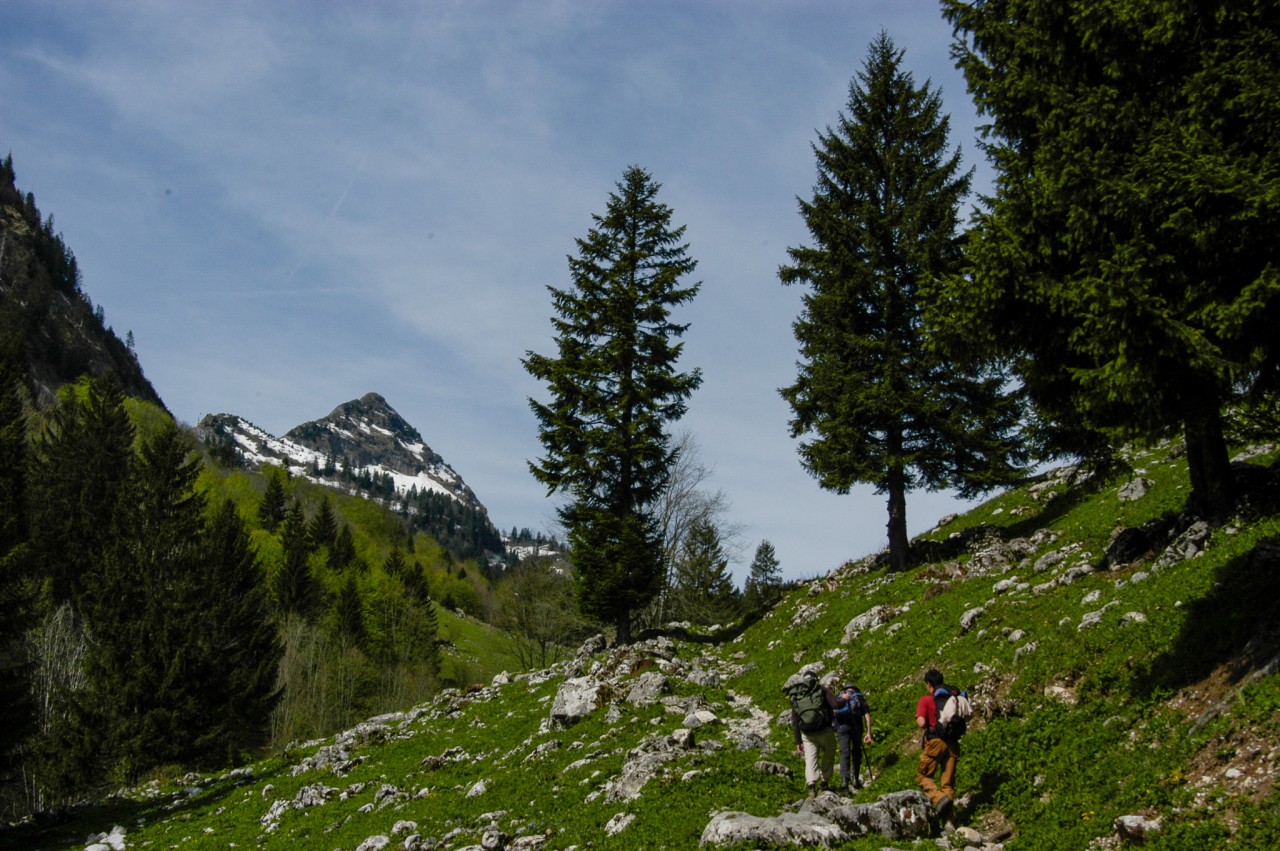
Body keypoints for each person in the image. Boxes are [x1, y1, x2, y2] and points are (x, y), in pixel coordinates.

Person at [785, 668, 840, 797]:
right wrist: (845, 699)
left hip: (807, 733)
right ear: (816, 679)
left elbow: (795, 720)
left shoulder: (798, 694)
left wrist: (798, 741)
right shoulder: (822, 690)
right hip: (824, 729)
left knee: (810, 758)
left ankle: (811, 786)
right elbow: (835, 705)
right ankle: (825, 782)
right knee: (829, 752)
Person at [915, 668, 958, 819]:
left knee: (922, 776)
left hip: (935, 742)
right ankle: (950, 822)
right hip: (952, 743)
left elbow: (921, 723)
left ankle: (938, 799)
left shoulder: (926, 699)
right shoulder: (951, 698)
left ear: (929, 684)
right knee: (947, 784)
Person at [834, 682, 873, 790]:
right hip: (856, 727)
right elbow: (867, 715)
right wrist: (868, 732)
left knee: (844, 752)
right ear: (855, 689)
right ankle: (855, 779)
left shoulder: (839, 696)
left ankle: (844, 781)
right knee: (856, 751)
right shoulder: (859, 697)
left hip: (842, 728)